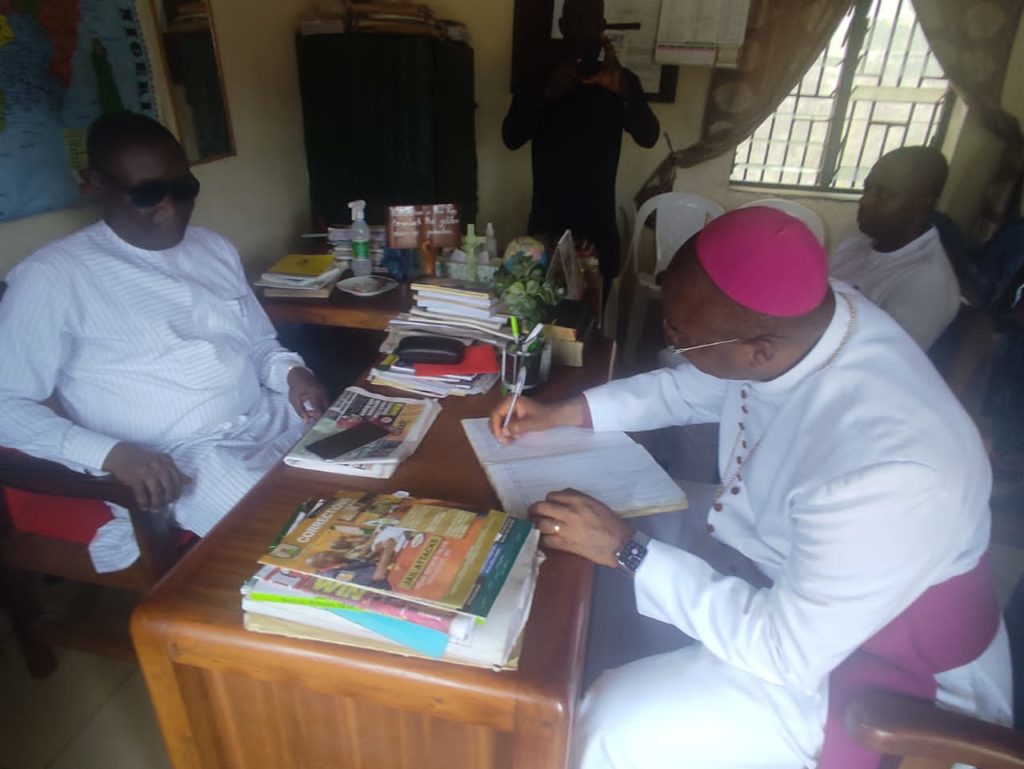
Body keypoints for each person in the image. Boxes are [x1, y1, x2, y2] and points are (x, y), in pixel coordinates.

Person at [489, 207, 1010, 769]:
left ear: (758, 351)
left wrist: (627, 550)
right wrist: (566, 412)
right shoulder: (810, 323)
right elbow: (692, 388)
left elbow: (785, 652)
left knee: (610, 721)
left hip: (872, 670)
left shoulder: (890, 471)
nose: (670, 341)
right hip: (787, 569)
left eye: (681, 337)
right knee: (605, 535)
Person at [0, 111, 328, 573]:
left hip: (270, 418)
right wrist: (109, 454)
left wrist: (292, 373)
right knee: (311, 547)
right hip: (181, 460)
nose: (171, 209)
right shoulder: (52, 277)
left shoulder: (213, 247)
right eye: (147, 194)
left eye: (183, 189)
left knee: (371, 473)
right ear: (94, 184)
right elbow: (6, 405)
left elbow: (258, 344)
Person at [502, 0, 660, 296]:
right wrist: (545, 93)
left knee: (594, 313)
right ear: (563, 27)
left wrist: (623, 92)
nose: (583, 31)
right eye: (575, 23)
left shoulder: (619, 80)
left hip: (598, 226)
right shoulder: (539, 78)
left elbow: (649, 136)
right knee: (542, 308)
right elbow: (511, 137)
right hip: (547, 225)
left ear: (602, 28)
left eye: (591, 23)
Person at [830, 145, 961, 350]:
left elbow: (880, 357)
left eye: (883, 194)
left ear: (923, 202)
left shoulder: (927, 282)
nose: (865, 201)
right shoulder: (856, 240)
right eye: (867, 189)